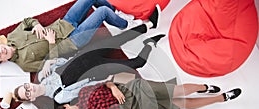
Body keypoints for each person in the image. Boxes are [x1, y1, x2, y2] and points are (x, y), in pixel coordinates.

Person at [0, 0, 160, 72]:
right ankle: (128, 24)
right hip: (72, 41)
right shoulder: (24, 64)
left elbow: (27, 21)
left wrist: (36, 24)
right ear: (3, 61)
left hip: (64, 24)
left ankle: (116, 14)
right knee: (102, 12)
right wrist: (52, 43)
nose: (2, 51)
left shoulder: (12, 36)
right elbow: (51, 65)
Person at [12, 24, 165, 104]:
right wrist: (106, 80)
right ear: (31, 98)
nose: (29, 89)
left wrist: (49, 63)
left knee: (117, 40)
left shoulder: (42, 74)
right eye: (27, 93)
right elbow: (83, 88)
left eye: (26, 87)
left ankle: (149, 25)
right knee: (136, 63)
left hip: (85, 55)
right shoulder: (58, 97)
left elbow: (62, 60)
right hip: (95, 70)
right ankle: (150, 44)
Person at [56, 78, 242, 109]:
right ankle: (222, 98)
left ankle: (203, 87)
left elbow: (106, 82)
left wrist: (113, 88)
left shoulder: (83, 92)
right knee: (180, 104)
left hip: (131, 91)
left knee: (173, 90)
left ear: (67, 107)